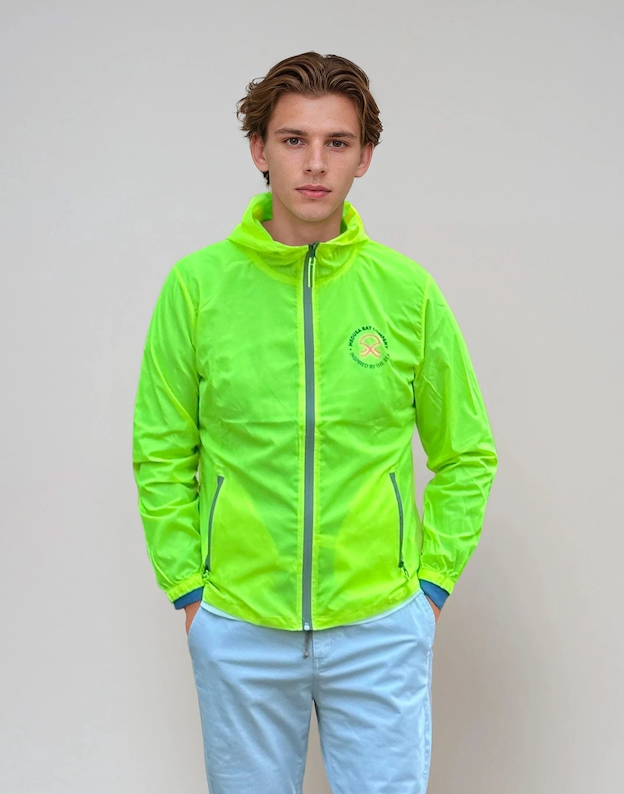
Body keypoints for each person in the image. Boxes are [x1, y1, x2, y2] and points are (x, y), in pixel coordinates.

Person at [132, 51, 498, 794]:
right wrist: (191, 593)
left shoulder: (406, 292)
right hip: (239, 624)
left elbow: (467, 453)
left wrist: (428, 588)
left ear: (365, 157)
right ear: (258, 149)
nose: (315, 163)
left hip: (379, 626)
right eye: (294, 139)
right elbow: (162, 449)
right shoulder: (196, 288)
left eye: (338, 142)